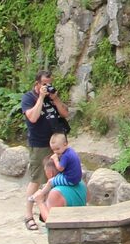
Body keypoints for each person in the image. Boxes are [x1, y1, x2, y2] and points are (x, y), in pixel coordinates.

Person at [20, 71, 73, 224]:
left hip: (58, 144)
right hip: (40, 144)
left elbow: (65, 113)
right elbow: (33, 117)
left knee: (57, 178)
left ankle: (49, 212)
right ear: (37, 84)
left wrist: (55, 99)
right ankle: (28, 215)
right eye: (44, 84)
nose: (47, 86)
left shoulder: (52, 97)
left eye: (49, 83)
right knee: (36, 179)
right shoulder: (28, 98)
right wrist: (41, 98)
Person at [26, 131, 86, 226]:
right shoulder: (82, 183)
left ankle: (40, 194)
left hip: (64, 234)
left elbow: (50, 220)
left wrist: (40, 202)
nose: (56, 152)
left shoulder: (56, 193)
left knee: (49, 184)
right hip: (79, 226)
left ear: (49, 172)